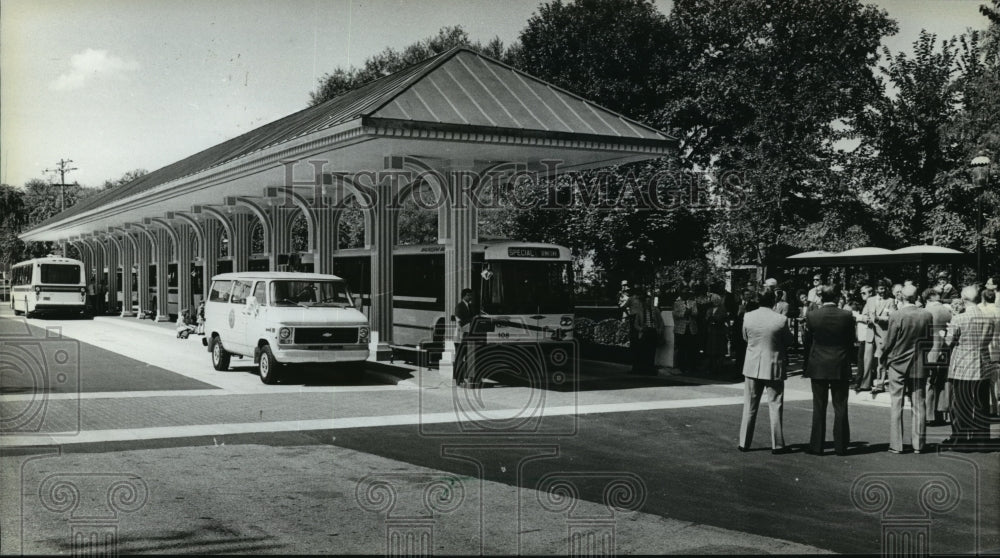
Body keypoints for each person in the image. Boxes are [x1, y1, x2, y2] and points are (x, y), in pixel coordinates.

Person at [738, 291, 794, 454]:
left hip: (752, 364)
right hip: (773, 365)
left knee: (749, 405)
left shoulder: (748, 316)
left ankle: (744, 442)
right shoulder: (781, 319)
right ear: (774, 302)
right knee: (775, 404)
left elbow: (745, 337)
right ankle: (777, 444)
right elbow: (789, 341)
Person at [879, 285, 934, 454]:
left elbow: (889, 341)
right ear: (917, 296)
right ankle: (919, 444)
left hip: (897, 363)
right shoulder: (926, 315)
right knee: (919, 403)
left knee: (897, 402)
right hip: (919, 363)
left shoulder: (897, 315)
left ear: (901, 296)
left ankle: (896, 444)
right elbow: (929, 341)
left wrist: (883, 357)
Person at [943, 285, 997, 448]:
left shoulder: (959, 318)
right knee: (981, 403)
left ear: (964, 299)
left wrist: (945, 332)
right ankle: (982, 439)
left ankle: (960, 438)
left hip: (962, 364)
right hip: (982, 362)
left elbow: (948, 341)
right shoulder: (988, 318)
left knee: (960, 403)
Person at [804, 285, 855, 456]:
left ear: (821, 297)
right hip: (839, 363)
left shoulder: (812, 315)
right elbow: (850, 340)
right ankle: (841, 446)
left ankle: (816, 445)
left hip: (818, 363)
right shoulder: (847, 316)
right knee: (840, 406)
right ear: (837, 297)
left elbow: (809, 339)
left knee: (819, 406)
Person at [922, 288, 953, 426]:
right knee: (941, 381)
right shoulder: (947, 311)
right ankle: (940, 412)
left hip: (930, 349)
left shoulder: (927, 311)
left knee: (929, 381)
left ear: (928, 299)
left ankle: (929, 414)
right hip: (945, 347)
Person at [866, 280, 896, 395]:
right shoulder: (870, 300)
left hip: (883, 334)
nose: (882, 291)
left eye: (884, 289)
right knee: (870, 360)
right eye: (880, 289)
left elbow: (893, 317)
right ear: (876, 289)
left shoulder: (890, 301)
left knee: (882, 360)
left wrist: (880, 319)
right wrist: (868, 319)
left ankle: (880, 384)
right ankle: (869, 383)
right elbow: (866, 315)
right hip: (871, 334)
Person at [628, 287, 663, 375]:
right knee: (644, 351)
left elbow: (661, 322)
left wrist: (659, 331)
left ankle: (650, 368)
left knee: (652, 351)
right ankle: (643, 368)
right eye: (646, 301)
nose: (648, 303)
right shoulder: (640, 311)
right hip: (645, 332)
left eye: (649, 301)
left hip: (653, 331)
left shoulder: (656, 310)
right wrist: (641, 329)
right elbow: (636, 324)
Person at [852, 285, 875, 392]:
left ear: (870, 293)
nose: (862, 295)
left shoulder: (871, 303)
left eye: (864, 293)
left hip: (867, 336)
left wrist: (857, 316)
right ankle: (861, 382)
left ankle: (860, 382)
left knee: (862, 360)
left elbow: (869, 319)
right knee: (861, 360)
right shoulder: (867, 304)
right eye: (861, 293)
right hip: (863, 336)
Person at [453, 288, 479, 385]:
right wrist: (473, 319)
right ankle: (458, 380)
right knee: (459, 358)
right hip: (460, 336)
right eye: (468, 295)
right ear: (464, 296)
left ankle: (466, 378)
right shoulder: (459, 306)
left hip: (468, 336)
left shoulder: (471, 306)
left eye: (471, 295)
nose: (470, 297)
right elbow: (460, 321)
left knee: (468, 357)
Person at [672, 289, 699, 373]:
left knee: (692, 349)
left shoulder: (693, 302)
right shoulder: (677, 303)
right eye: (683, 292)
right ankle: (681, 366)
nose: (685, 294)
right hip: (680, 329)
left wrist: (691, 312)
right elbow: (675, 314)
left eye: (687, 292)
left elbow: (696, 313)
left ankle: (692, 367)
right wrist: (684, 314)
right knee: (681, 349)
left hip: (691, 329)